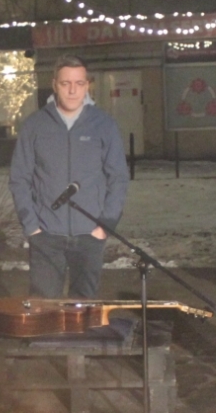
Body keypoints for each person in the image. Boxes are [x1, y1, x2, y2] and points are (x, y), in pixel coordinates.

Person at [8, 55, 129, 298]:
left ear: (87, 85)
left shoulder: (104, 125)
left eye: (79, 83)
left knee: (83, 314)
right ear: (55, 85)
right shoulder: (35, 125)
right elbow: (19, 177)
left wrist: (105, 226)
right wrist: (32, 226)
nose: (73, 91)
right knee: (44, 313)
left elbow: (119, 178)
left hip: (89, 236)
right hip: (46, 236)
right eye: (66, 83)